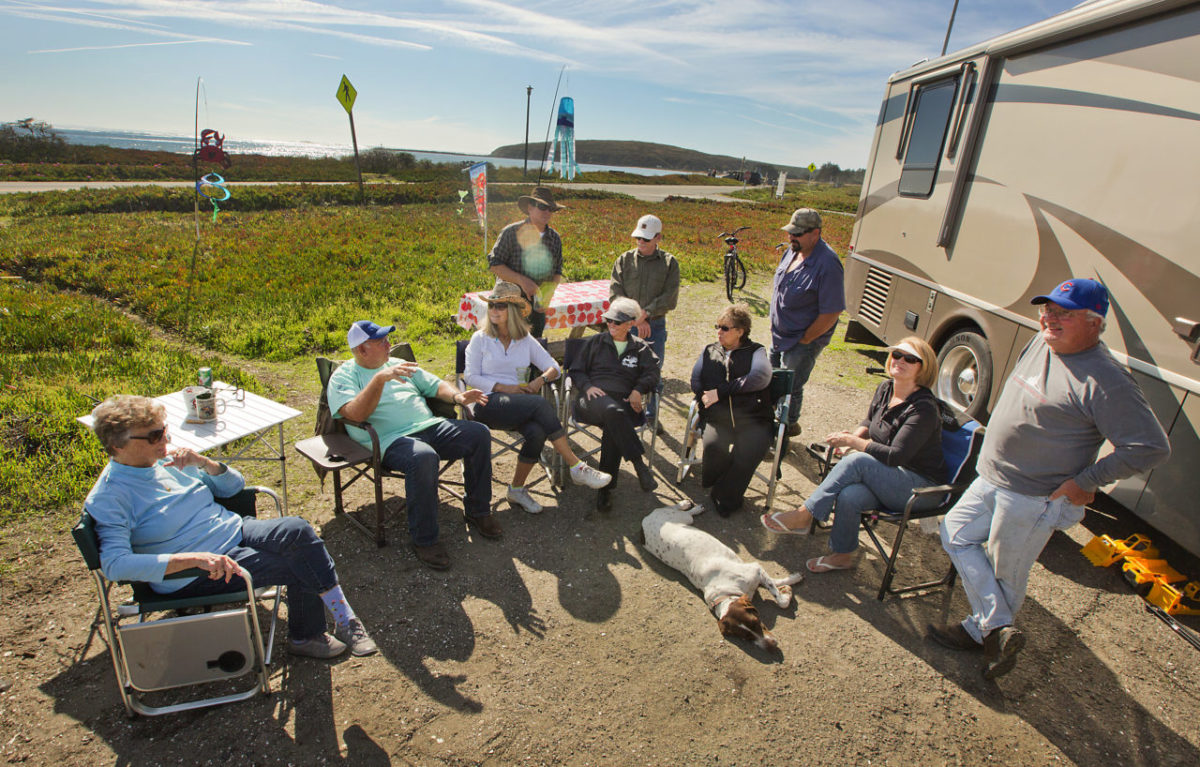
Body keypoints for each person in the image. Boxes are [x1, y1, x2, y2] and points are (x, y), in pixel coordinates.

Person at [929, 279, 1170, 680]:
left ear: (1095, 323)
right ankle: (997, 628)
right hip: (992, 476)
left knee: (1006, 571)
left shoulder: (1106, 378)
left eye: (1064, 313)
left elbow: (1150, 447)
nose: (1050, 318)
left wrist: (1086, 482)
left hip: (1035, 496)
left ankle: (984, 637)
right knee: (955, 532)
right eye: (1047, 309)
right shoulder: (1042, 341)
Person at [84, 395, 377, 659]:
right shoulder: (111, 496)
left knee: (297, 530)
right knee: (301, 562)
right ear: (117, 445)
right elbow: (115, 565)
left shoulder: (166, 460)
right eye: (155, 435)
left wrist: (205, 463)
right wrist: (194, 560)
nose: (166, 438)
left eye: (164, 430)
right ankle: (307, 636)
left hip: (233, 529)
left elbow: (234, 487)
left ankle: (344, 619)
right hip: (196, 568)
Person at [761, 337, 946, 576]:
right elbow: (870, 422)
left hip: (921, 488)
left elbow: (896, 456)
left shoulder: (923, 409)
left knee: (858, 460)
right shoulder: (886, 388)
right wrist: (851, 437)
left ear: (924, 367)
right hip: (890, 476)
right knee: (850, 495)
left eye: (910, 359)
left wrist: (854, 443)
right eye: (897, 355)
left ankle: (804, 516)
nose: (900, 361)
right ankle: (843, 555)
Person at [327, 320, 498, 571]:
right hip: (389, 441)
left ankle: (478, 510)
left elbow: (434, 384)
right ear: (362, 350)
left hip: (429, 426)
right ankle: (425, 539)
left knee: (478, 433)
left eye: (388, 340)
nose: (389, 345)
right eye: (381, 342)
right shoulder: (343, 377)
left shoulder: (398, 364)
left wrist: (457, 396)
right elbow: (354, 415)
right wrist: (379, 380)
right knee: (423, 457)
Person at [464, 282, 612, 513]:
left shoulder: (525, 340)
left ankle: (516, 489)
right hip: (487, 401)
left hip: (519, 406)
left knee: (537, 432)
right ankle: (576, 466)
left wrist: (538, 381)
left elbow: (554, 367)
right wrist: (505, 387)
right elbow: (471, 376)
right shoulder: (479, 339)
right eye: (491, 305)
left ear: (512, 310)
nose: (494, 309)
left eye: (500, 305)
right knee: (540, 404)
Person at [570, 297, 661, 513]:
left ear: (631, 323)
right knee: (613, 412)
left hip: (624, 404)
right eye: (609, 320)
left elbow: (653, 374)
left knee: (614, 425)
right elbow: (575, 370)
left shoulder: (640, 348)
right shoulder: (595, 342)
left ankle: (605, 490)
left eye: (617, 322)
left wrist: (639, 389)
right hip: (591, 401)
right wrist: (587, 386)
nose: (611, 325)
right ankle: (638, 462)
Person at [689, 303, 773, 516]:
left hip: (753, 418)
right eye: (717, 326)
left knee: (749, 451)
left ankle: (725, 498)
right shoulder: (710, 350)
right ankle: (719, 484)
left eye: (725, 328)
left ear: (740, 331)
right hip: (718, 417)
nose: (719, 332)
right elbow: (696, 379)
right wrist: (703, 399)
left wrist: (721, 392)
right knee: (713, 446)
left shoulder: (756, 351)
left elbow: (759, 378)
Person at [770, 208, 845, 436]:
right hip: (780, 335)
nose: (792, 237)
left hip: (802, 341)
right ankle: (777, 422)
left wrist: (806, 339)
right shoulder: (793, 251)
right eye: (791, 233)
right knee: (773, 381)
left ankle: (786, 428)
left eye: (798, 234)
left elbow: (832, 312)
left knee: (790, 387)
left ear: (816, 233)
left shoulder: (828, 264)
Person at [610, 214, 680, 422]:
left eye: (646, 239)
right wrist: (635, 318)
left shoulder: (670, 263)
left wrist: (645, 315)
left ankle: (651, 414)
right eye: (638, 238)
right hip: (626, 325)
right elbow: (615, 293)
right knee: (623, 370)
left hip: (654, 326)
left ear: (658, 237)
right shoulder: (623, 260)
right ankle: (622, 411)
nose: (640, 242)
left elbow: (670, 297)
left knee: (652, 372)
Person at [488, 186, 565, 337]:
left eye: (551, 209)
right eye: (542, 207)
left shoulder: (554, 238)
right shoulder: (510, 232)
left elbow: (557, 271)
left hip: (537, 308)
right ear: (530, 208)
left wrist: (549, 293)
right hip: (508, 305)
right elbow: (494, 264)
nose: (547, 212)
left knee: (533, 349)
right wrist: (522, 281)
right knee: (504, 349)